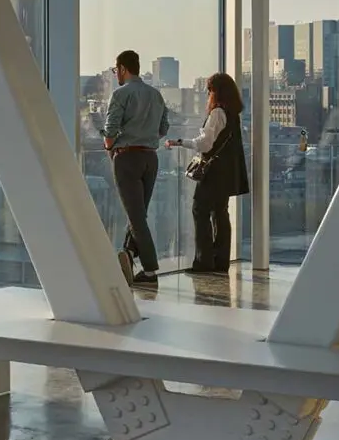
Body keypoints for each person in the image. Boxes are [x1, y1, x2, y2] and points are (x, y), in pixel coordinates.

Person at [167, 72, 249, 275]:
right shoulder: (233, 114)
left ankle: (204, 261)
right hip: (228, 173)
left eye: (209, 90)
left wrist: (180, 142)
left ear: (216, 92)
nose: (208, 95)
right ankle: (221, 260)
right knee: (220, 213)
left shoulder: (218, 113)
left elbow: (205, 143)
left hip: (214, 173)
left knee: (200, 210)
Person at [103, 50, 169, 288]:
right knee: (139, 212)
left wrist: (109, 145)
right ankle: (128, 256)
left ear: (122, 68)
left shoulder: (120, 94)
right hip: (150, 158)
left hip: (127, 158)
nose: (115, 75)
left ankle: (150, 271)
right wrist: (147, 134)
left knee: (136, 216)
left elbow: (110, 129)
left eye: (115, 70)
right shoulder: (156, 95)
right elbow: (164, 128)